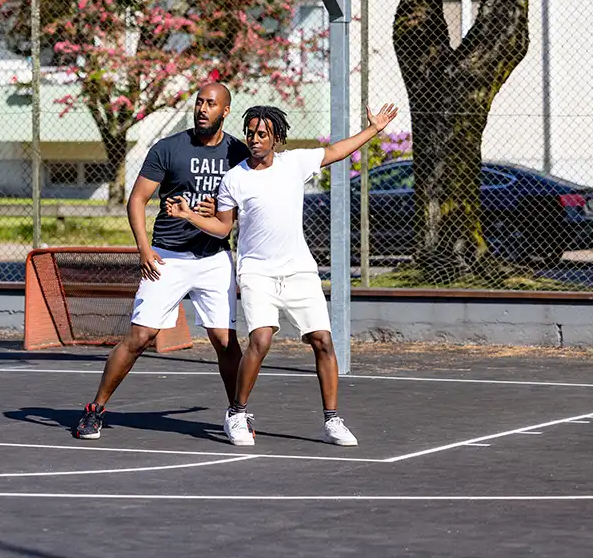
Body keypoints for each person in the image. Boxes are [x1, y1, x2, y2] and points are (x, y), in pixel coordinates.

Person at [167, 102, 399, 447]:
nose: (255, 139)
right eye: (250, 133)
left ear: (276, 138)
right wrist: (189, 216)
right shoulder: (235, 178)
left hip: (299, 270)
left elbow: (337, 151)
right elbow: (221, 227)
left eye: (263, 134)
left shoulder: (295, 164)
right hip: (257, 273)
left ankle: (332, 420)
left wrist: (374, 129)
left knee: (322, 340)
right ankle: (237, 413)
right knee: (260, 340)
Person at [74, 83, 252, 440]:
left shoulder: (237, 152)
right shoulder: (169, 148)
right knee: (140, 336)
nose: (203, 109)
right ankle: (95, 410)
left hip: (214, 258)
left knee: (223, 339)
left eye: (211, 104)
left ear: (226, 111)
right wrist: (143, 248)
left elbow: (248, 201)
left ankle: (238, 412)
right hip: (167, 256)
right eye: (199, 102)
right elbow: (137, 199)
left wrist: (217, 213)